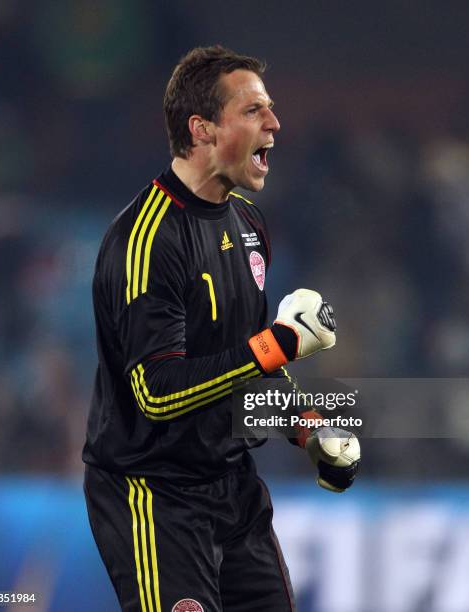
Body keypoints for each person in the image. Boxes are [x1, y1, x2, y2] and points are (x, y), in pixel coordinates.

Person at [83, 45, 360, 612]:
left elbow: (250, 370)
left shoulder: (250, 225)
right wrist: (278, 343)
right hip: (152, 495)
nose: (276, 124)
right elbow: (156, 393)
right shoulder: (147, 239)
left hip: (233, 488)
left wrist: (310, 432)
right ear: (202, 128)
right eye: (255, 110)